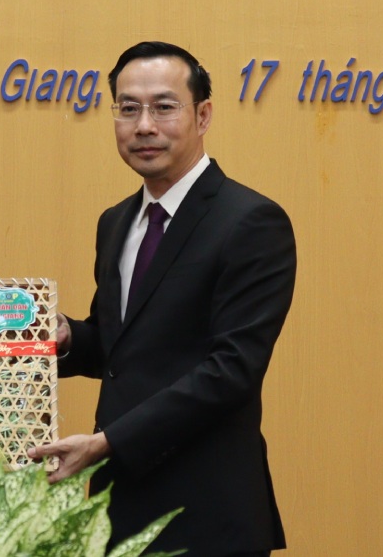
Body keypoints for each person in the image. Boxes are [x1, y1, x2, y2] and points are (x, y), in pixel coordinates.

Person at [28, 41, 296, 556]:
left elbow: (232, 370)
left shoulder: (251, 222)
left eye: (164, 107)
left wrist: (106, 444)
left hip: (209, 515)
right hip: (118, 509)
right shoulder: (115, 222)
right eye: (128, 108)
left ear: (203, 115)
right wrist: (62, 337)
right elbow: (121, 348)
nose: (144, 126)